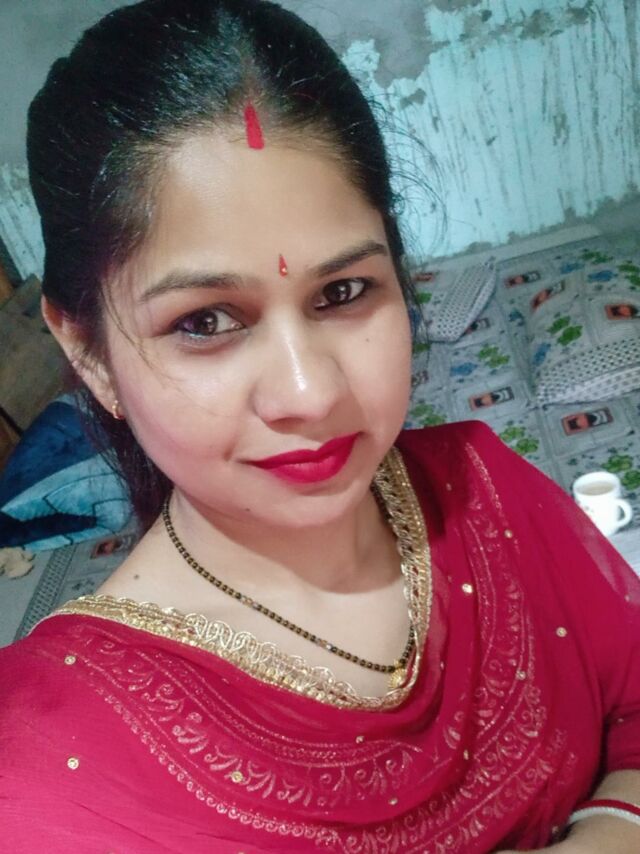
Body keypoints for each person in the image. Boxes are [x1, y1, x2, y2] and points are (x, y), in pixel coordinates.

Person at [1, 1, 639, 851]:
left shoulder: (483, 486)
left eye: (343, 292)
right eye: (205, 321)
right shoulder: (47, 774)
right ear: (88, 353)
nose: (309, 393)